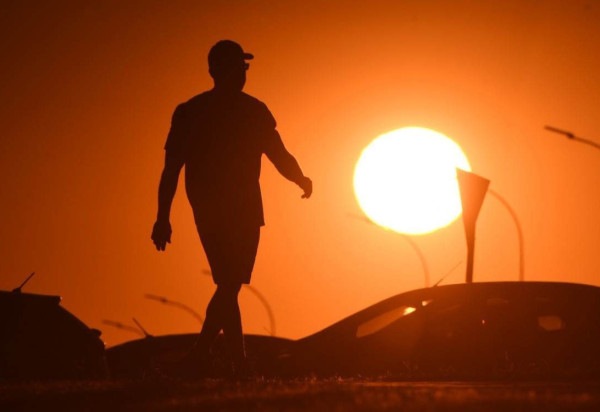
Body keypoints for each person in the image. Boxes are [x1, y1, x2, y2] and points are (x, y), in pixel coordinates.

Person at [151, 40, 312, 377]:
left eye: (244, 68)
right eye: (237, 67)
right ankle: (202, 354)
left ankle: (235, 361)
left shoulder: (249, 111)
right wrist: (162, 217)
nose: (242, 74)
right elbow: (171, 168)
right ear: (217, 71)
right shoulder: (192, 112)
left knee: (229, 283)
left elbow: (278, 153)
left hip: (235, 209)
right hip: (222, 210)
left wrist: (299, 178)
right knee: (230, 282)